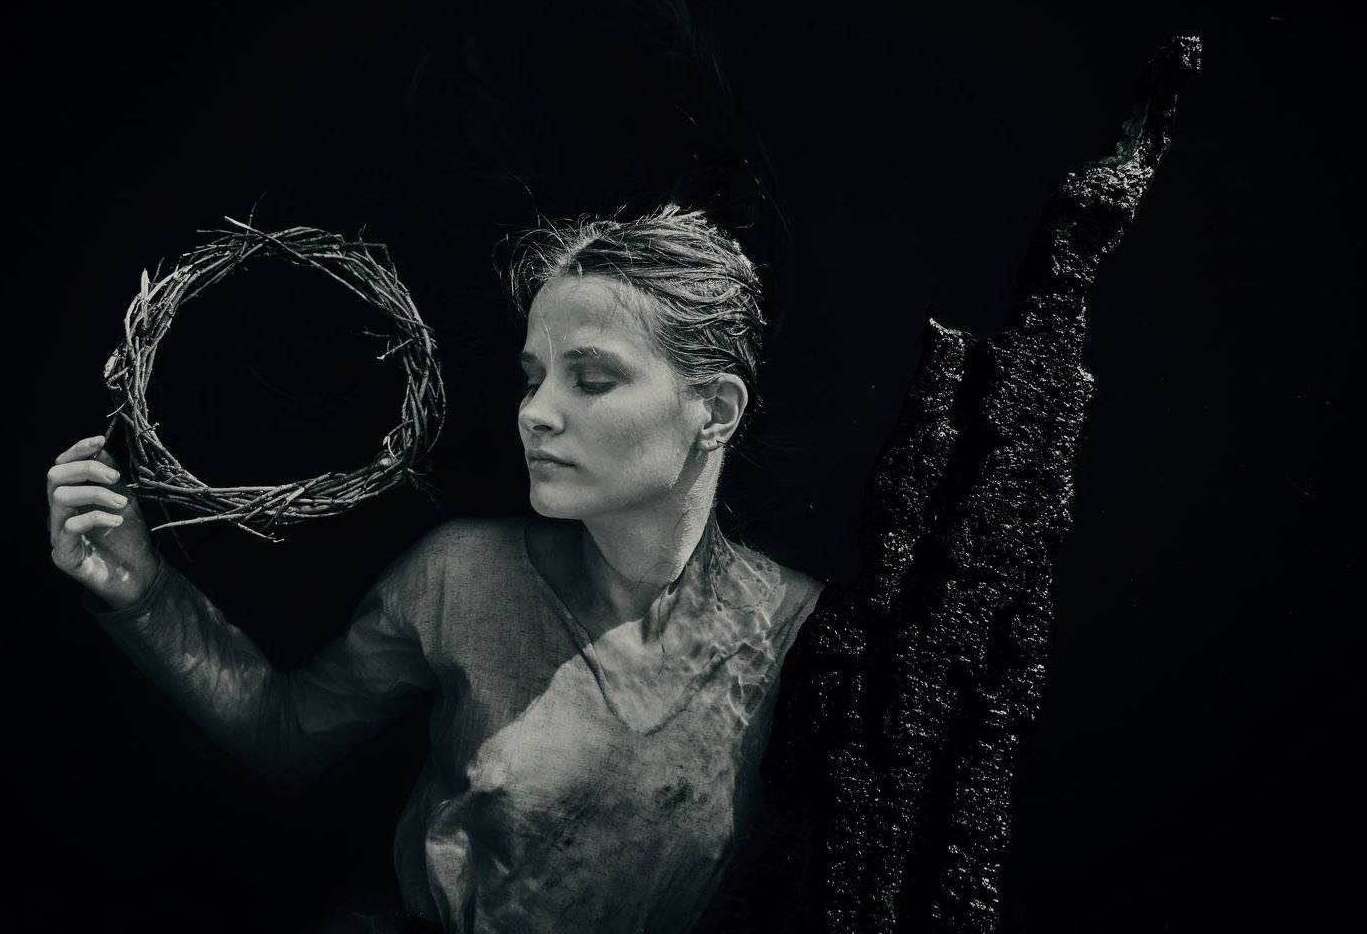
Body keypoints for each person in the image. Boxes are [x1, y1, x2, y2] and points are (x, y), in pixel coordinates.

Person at [46, 203, 826, 933]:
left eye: (591, 380)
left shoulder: (805, 637)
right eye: (532, 377)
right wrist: (144, 594)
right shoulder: (465, 576)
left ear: (715, 411)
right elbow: (287, 734)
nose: (534, 412)